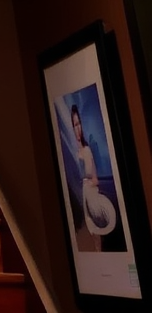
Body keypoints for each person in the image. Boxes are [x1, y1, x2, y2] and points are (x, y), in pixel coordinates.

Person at [72, 102, 116, 246]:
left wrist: (89, 183)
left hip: (93, 196)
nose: (77, 129)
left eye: (79, 124)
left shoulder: (87, 150)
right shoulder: (74, 154)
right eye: (74, 125)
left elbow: (96, 179)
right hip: (83, 198)